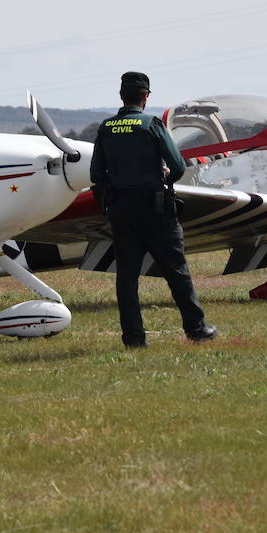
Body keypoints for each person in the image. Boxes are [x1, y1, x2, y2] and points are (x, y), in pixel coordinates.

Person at [90, 71, 216, 348]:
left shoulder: (106, 128)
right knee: (176, 271)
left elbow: (97, 174)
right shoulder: (152, 124)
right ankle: (196, 329)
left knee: (127, 277)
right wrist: (165, 176)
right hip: (156, 208)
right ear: (145, 96)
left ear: (121, 96)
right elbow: (179, 167)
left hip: (122, 210)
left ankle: (134, 338)